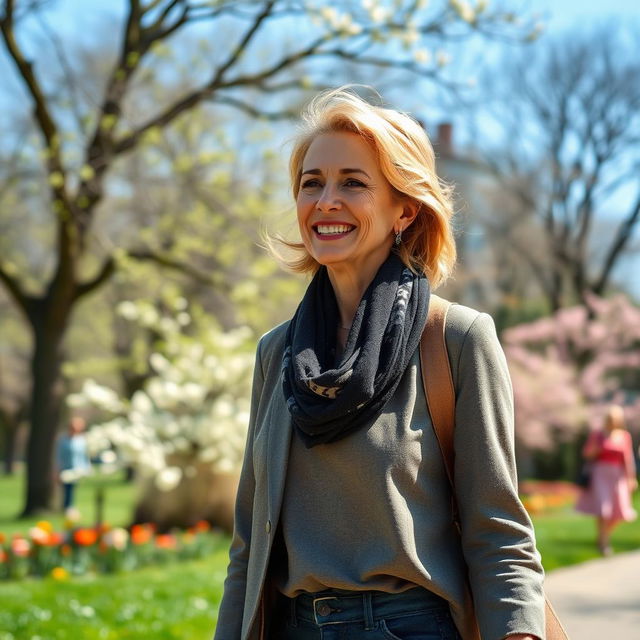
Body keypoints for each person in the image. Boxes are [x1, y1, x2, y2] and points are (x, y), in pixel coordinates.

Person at [215, 88, 545, 640]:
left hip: (411, 628)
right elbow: (249, 544)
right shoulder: (277, 354)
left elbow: (499, 532)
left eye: (354, 182)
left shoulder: (457, 338)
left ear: (404, 209)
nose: (325, 201)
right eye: (311, 183)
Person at [576, 404, 637, 555]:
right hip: (600, 474)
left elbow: (628, 459)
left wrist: (631, 478)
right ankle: (604, 544)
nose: (612, 421)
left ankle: (603, 535)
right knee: (604, 510)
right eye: (610, 418)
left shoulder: (624, 436)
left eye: (615, 419)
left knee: (619, 511)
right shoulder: (598, 435)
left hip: (617, 475)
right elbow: (586, 454)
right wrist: (596, 449)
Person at [56, 416, 91, 511]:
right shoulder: (63, 440)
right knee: (68, 489)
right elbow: (59, 456)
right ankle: (67, 507)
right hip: (66, 468)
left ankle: (69, 507)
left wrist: (87, 468)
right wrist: (57, 470)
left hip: (78, 469)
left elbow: (85, 456)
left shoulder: (82, 440)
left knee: (72, 489)